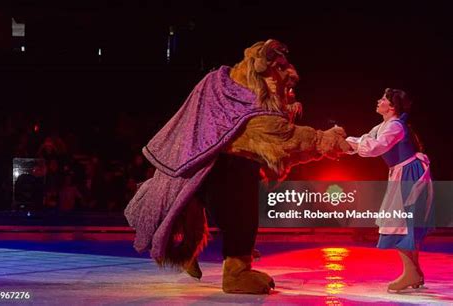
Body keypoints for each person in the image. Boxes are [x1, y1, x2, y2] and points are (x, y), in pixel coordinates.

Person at [125, 39, 350, 294]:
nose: (286, 87)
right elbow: (284, 139)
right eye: (280, 74)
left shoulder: (220, 85)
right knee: (241, 220)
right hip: (232, 170)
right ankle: (236, 274)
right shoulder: (248, 103)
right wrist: (323, 141)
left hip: (209, 166)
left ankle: (189, 251)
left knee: (204, 210)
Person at [346, 88, 434, 292]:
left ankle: (410, 272)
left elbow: (375, 148)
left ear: (392, 106)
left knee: (398, 221)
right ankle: (415, 272)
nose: (379, 100)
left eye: (383, 99)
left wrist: (351, 145)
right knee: (404, 221)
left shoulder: (395, 126)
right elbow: (366, 139)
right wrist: (346, 143)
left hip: (408, 174)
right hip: (403, 172)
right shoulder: (384, 125)